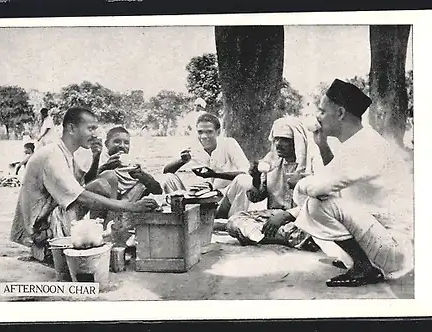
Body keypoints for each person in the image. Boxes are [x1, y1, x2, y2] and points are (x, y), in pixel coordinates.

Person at [289, 79, 414, 287]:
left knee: (316, 204)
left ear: (339, 113)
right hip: (383, 241)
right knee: (321, 201)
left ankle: (364, 267)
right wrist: (321, 145)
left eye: (322, 111)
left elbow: (319, 187)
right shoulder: (358, 142)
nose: (318, 118)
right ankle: (362, 262)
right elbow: (333, 176)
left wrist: (299, 185)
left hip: (393, 249)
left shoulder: (364, 146)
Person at [10, 107, 159, 262]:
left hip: (52, 216)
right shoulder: (52, 155)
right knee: (102, 185)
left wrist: (96, 157)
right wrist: (131, 206)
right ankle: (56, 247)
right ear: (71, 128)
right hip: (42, 228)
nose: (95, 134)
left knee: (107, 181)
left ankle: (108, 241)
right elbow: (81, 196)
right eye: (90, 128)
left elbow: (83, 184)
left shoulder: (65, 152)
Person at [225, 116, 322, 250]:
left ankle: (265, 235)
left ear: (297, 141)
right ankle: (290, 237)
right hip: (274, 217)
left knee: (314, 229)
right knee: (234, 221)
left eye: (285, 139)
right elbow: (255, 197)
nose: (278, 144)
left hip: (304, 217)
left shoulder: (312, 164)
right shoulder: (272, 162)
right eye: (276, 139)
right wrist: (256, 178)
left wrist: (286, 215)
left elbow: (318, 202)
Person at [162, 112, 250, 217]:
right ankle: (180, 219)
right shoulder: (194, 147)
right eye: (200, 132)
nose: (204, 136)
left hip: (223, 201)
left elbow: (245, 172)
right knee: (168, 178)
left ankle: (236, 219)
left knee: (245, 181)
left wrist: (215, 174)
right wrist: (182, 161)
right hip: (198, 202)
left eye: (209, 132)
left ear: (218, 132)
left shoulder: (229, 144)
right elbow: (166, 171)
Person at [90, 126, 163, 201]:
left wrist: (142, 176)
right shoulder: (99, 159)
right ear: (106, 144)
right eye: (117, 142)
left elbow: (158, 191)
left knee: (143, 183)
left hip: (127, 202)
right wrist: (105, 167)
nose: (122, 146)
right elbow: (88, 185)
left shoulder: (133, 163)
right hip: (104, 201)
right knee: (109, 175)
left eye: (126, 143)